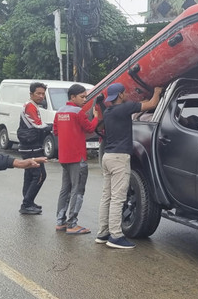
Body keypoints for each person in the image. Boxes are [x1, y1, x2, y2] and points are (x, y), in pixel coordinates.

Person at [97, 83, 162, 249]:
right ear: (120, 95)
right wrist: (157, 91)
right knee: (118, 198)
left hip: (108, 157)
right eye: (124, 93)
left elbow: (139, 108)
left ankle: (103, 233)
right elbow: (152, 104)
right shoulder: (124, 108)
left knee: (107, 196)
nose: (126, 94)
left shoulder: (109, 111)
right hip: (119, 158)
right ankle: (116, 236)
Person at [53, 84, 101, 235]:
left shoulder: (59, 112)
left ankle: (60, 222)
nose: (85, 99)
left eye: (86, 96)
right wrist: (97, 117)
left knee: (65, 189)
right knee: (77, 190)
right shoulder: (78, 112)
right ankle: (72, 224)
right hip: (77, 157)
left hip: (64, 156)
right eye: (82, 97)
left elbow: (55, 131)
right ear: (72, 97)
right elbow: (90, 128)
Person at [17, 82, 52, 214]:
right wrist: (53, 126)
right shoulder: (30, 106)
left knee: (30, 174)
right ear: (31, 94)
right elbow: (38, 125)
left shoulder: (32, 105)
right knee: (40, 175)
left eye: (43, 93)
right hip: (31, 146)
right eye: (38, 93)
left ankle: (28, 201)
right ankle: (26, 204)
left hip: (28, 145)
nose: (41, 96)